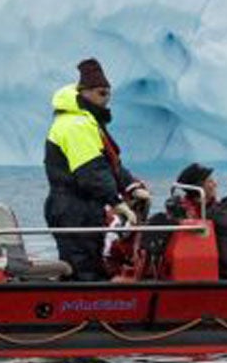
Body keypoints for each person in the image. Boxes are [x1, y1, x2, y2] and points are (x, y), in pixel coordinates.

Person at [42, 58, 148, 281]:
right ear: (85, 92)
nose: (106, 99)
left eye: (108, 93)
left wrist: (131, 186)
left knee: (88, 260)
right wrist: (117, 203)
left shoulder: (87, 121)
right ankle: (82, 310)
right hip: (74, 209)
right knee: (82, 267)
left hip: (81, 208)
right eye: (101, 93)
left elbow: (109, 162)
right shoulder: (76, 125)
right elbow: (91, 172)